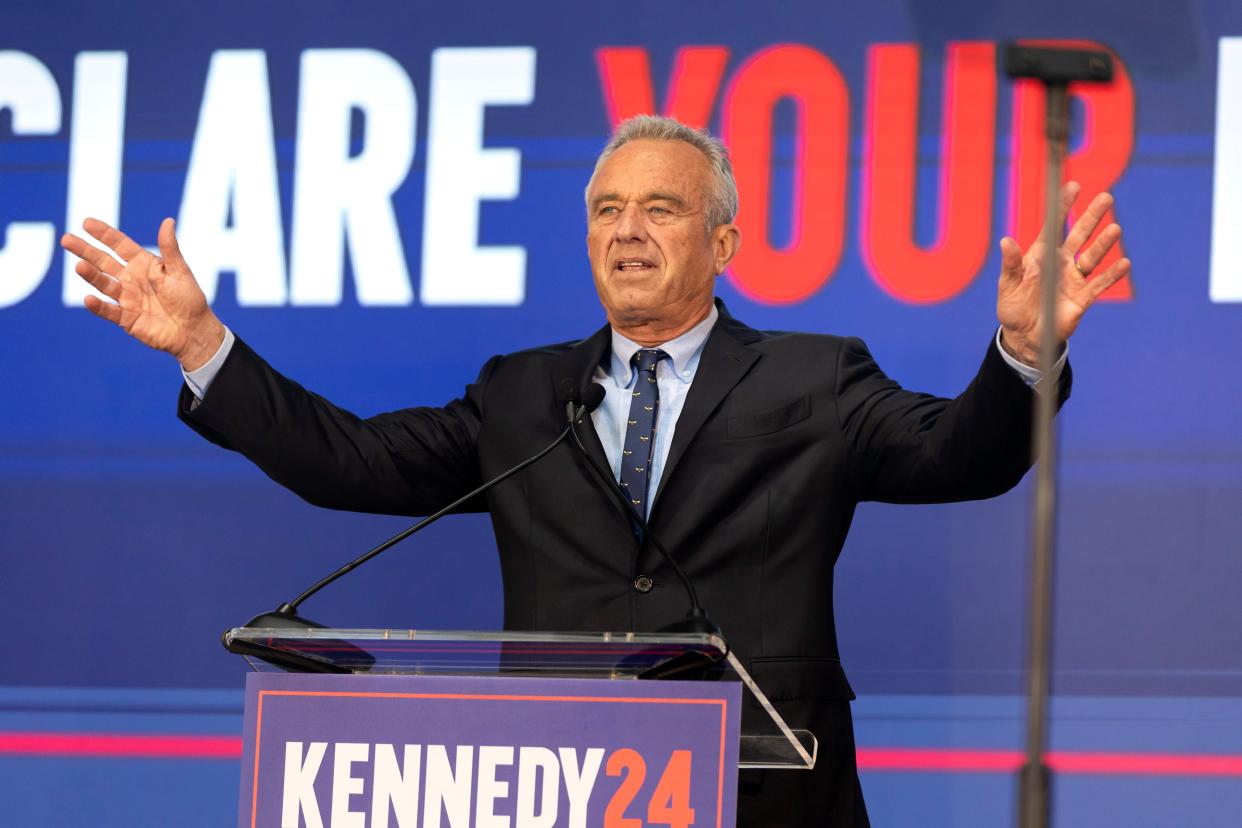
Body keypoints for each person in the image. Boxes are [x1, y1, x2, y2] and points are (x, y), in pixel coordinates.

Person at [61, 115, 1130, 827]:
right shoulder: (524, 393)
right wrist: (205, 348)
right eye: (606, 212)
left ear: (726, 240)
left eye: (660, 209)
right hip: (558, 786)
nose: (626, 233)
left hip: (766, 791)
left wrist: (1025, 359)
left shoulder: (812, 378)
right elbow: (350, 463)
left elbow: (964, 456)